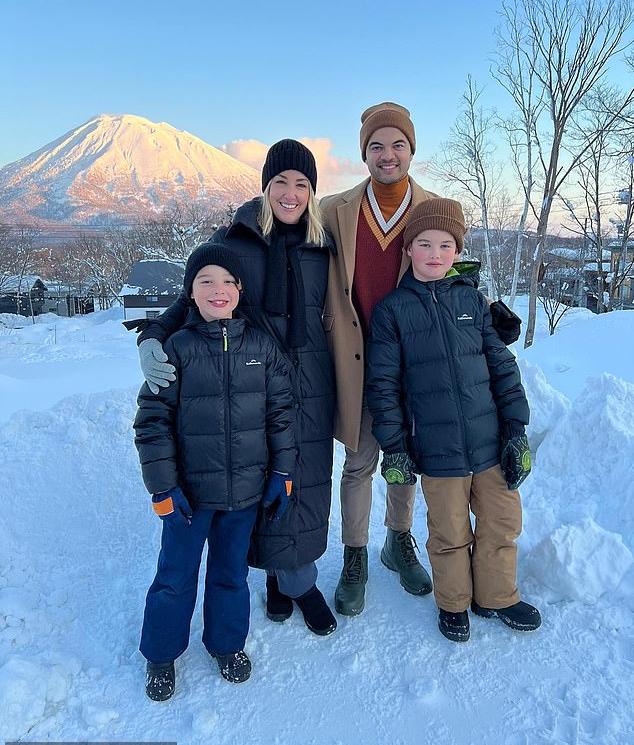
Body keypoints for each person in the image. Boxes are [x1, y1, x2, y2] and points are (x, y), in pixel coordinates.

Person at [320, 102, 521, 617]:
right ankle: (355, 554)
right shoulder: (334, 210)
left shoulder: (433, 206)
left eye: (398, 145)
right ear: (363, 153)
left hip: (421, 360)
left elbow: (457, 274)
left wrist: (487, 316)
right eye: (377, 146)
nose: (388, 155)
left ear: (412, 150)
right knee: (362, 460)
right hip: (356, 356)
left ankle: (399, 540)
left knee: (408, 458)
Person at [135, 140, 337, 637]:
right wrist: (153, 335)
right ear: (265, 187)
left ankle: (298, 581)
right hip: (250, 377)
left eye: (302, 184)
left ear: (313, 192)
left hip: (313, 382)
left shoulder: (323, 245)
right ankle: (273, 578)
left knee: (299, 482)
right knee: (254, 476)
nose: (291, 194)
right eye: (280, 183)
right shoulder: (238, 241)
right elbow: (198, 296)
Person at [365, 197, 542, 643]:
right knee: (449, 533)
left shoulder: (471, 302)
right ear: (408, 250)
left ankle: (497, 596)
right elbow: (383, 385)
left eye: (447, 245)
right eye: (425, 244)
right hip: (437, 450)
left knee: (502, 524)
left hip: (489, 442)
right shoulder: (392, 311)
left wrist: (516, 429)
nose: (436, 254)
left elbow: (502, 366)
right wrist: (396, 447)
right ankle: (454, 603)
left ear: (458, 251)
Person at [134, 245, 296, 700]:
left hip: (244, 494)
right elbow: (152, 423)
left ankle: (226, 645)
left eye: (227, 281)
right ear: (190, 292)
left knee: (230, 575)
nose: (218, 290)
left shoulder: (262, 348)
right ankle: (161, 654)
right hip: (189, 495)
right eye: (206, 281)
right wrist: (163, 486)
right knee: (175, 575)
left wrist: (282, 471)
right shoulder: (176, 349)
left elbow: (282, 414)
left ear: (240, 290)